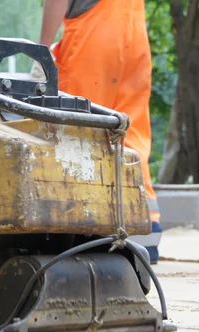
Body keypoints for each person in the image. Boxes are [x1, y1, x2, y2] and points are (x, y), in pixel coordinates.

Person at [36, 0, 162, 264]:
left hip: (93, 36)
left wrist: (42, 49)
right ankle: (145, 233)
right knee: (129, 131)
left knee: (80, 131)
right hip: (134, 33)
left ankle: (85, 230)